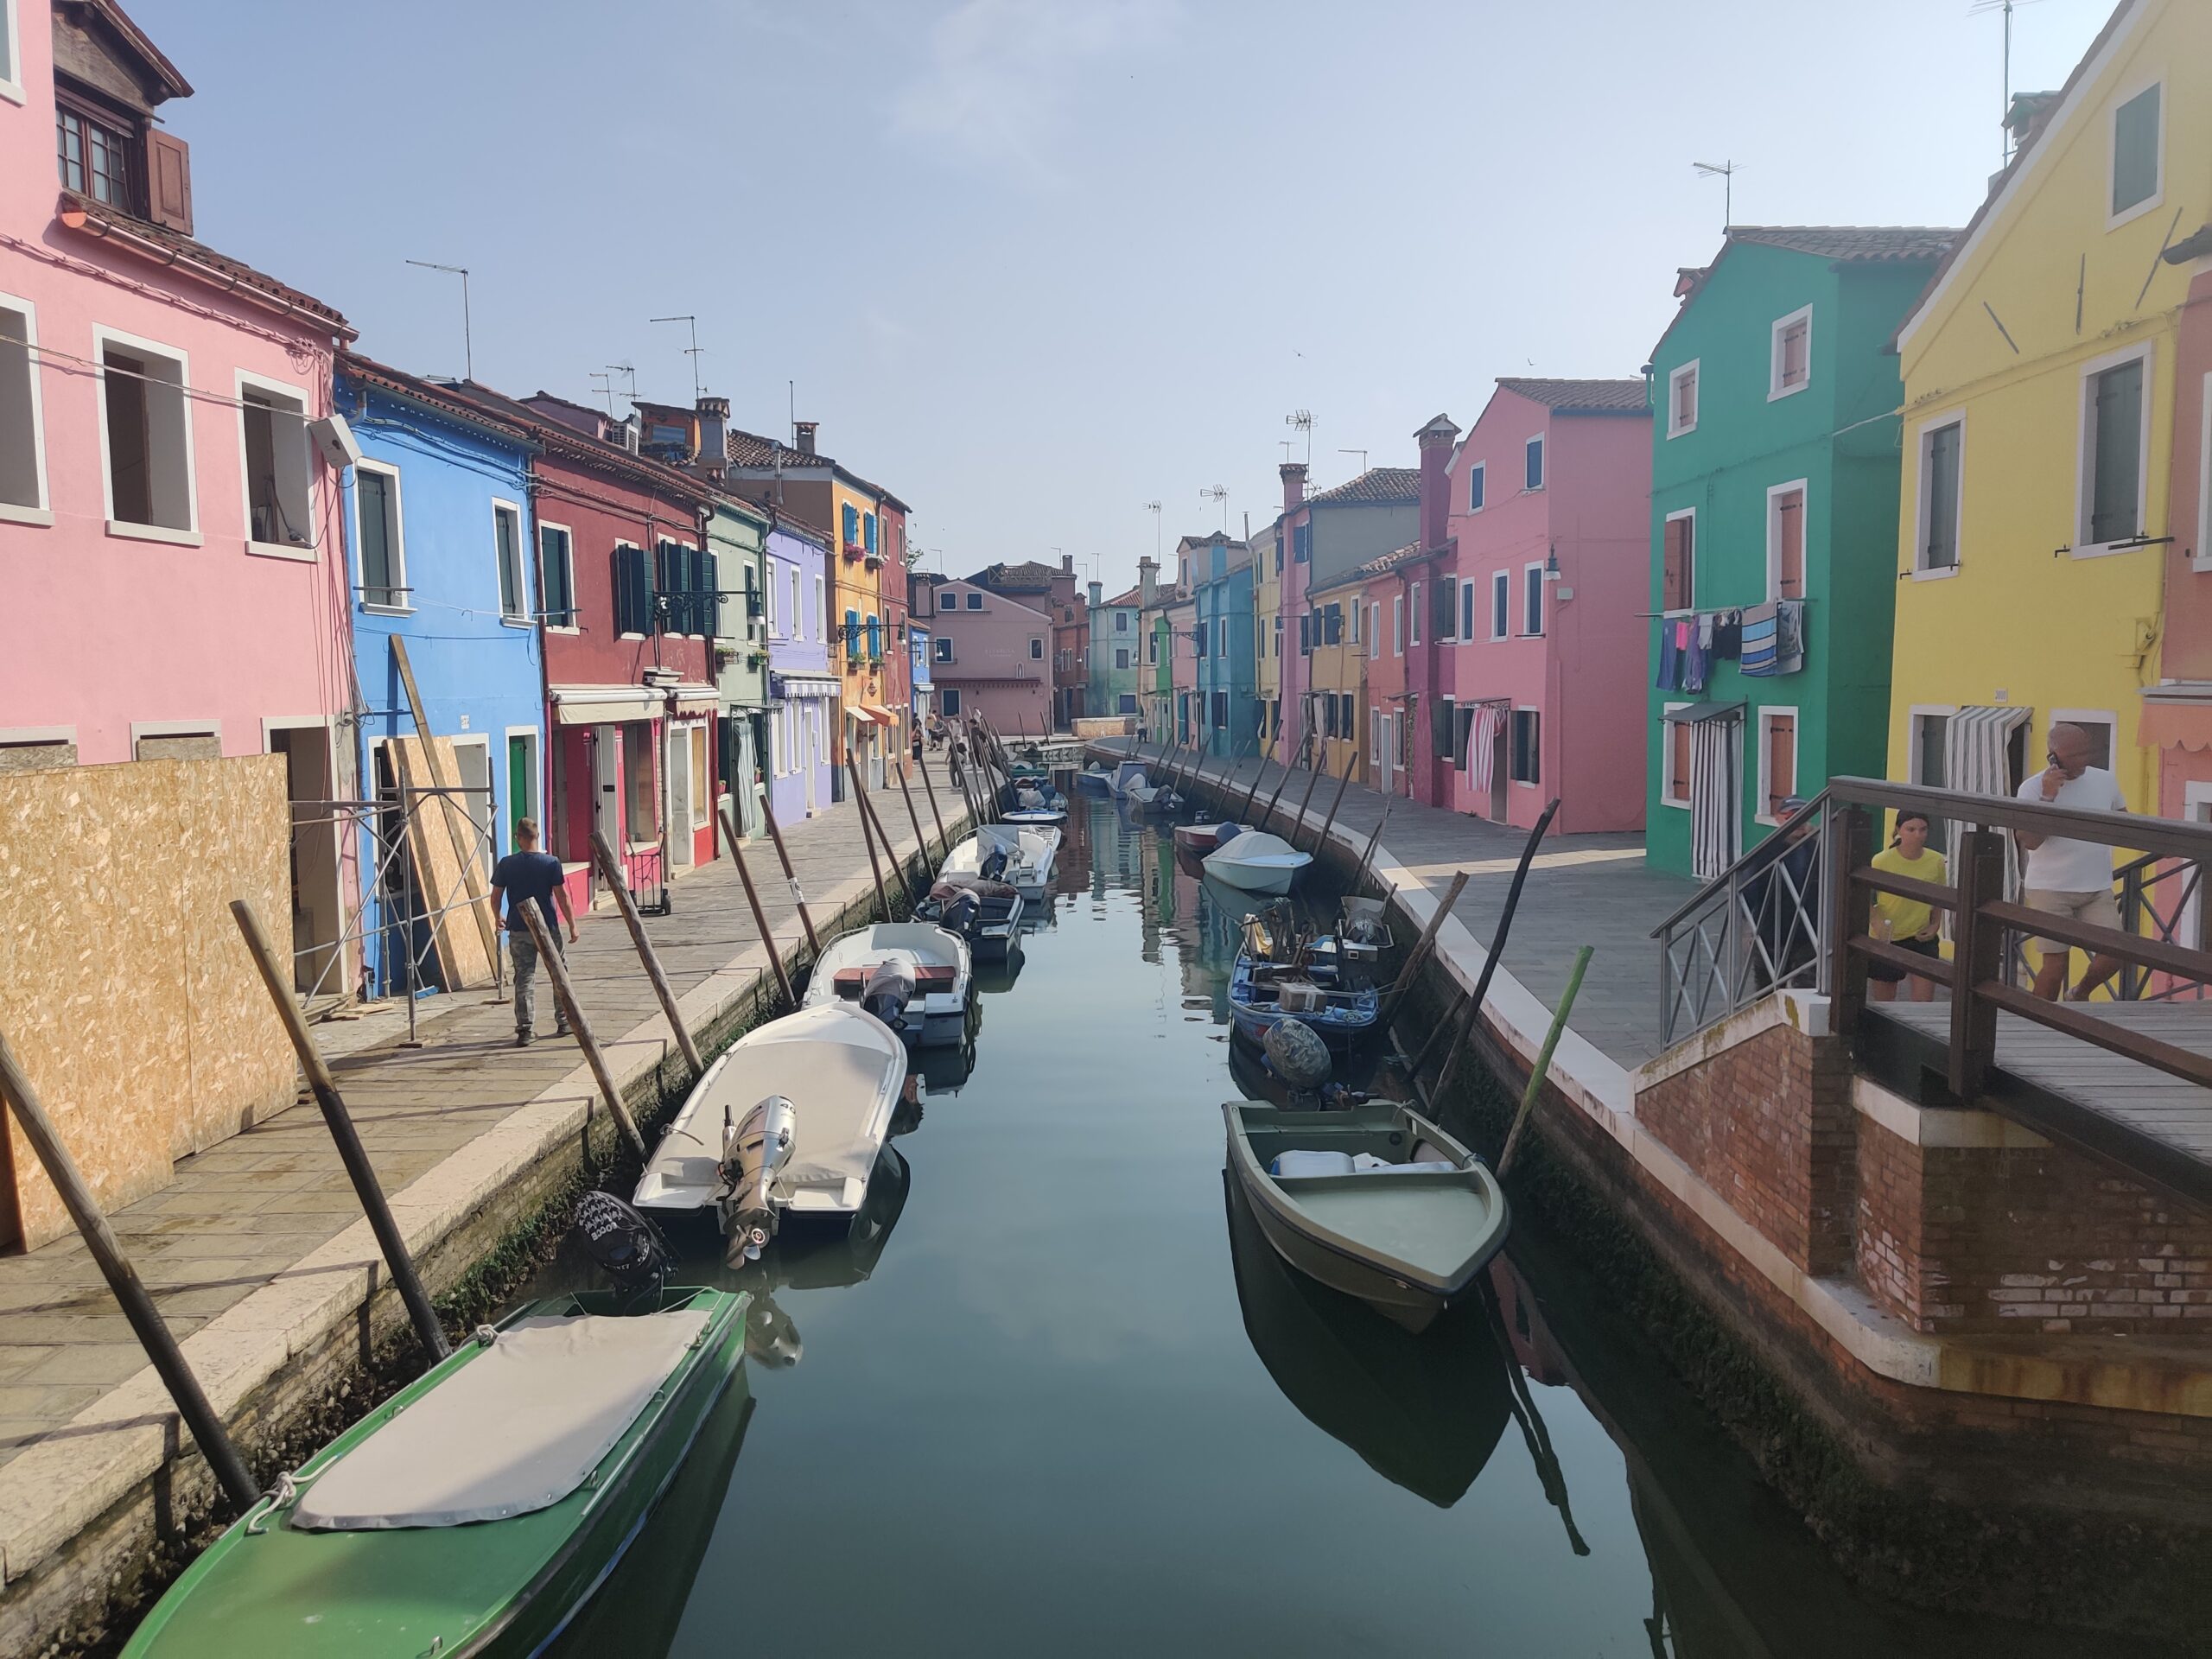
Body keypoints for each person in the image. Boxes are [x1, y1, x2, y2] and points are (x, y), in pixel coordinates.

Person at [2014, 721, 2128, 1001]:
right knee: (2055, 967)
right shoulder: (2031, 789)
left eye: (2087, 753)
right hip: (2050, 888)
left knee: (2118, 952)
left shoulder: (2105, 780)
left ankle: (2080, 992)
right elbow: (2031, 841)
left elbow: (2127, 822)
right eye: (2075, 755)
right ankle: (2036, 1025)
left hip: (2096, 886)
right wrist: (2048, 796)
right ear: (2053, 755)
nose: (2084, 761)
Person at [491, 818, 578, 1046]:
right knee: (559, 973)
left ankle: (525, 1030)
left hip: (519, 929)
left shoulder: (506, 864)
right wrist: (572, 924)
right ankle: (564, 1021)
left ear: (517, 837)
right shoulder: (551, 863)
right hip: (547, 928)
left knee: (524, 978)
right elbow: (562, 896)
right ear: (537, 837)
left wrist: (497, 915)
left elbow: (496, 896)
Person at [1867, 810, 1947, 1002]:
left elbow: (1939, 896)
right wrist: (1877, 924)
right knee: (1884, 1005)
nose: (1918, 835)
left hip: (1921, 936)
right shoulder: (1882, 860)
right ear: (1898, 830)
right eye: (1911, 829)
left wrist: (1935, 924)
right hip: (1889, 936)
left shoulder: (1936, 860)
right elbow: (1866, 896)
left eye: (1923, 830)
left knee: (1923, 1004)